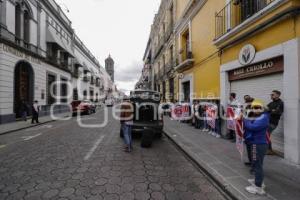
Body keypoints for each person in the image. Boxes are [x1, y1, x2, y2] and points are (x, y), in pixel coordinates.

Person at [244, 99, 269, 195]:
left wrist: (245, 119)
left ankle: (258, 188)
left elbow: (252, 127)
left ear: (262, 108)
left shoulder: (264, 117)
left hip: (258, 144)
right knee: (256, 163)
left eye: (258, 107)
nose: (255, 109)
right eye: (253, 108)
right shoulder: (261, 116)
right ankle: (258, 181)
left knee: (257, 165)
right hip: (256, 143)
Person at [267, 90, 284, 154]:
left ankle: (269, 150)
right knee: (266, 135)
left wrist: (270, 111)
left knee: (266, 135)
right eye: (271, 95)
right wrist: (271, 110)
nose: (271, 96)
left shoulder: (280, 103)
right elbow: (265, 109)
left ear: (278, 95)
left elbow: (277, 112)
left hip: (273, 123)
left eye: (272, 94)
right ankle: (268, 149)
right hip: (268, 122)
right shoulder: (271, 103)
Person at [244, 95, 254, 167]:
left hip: (252, 130)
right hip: (247, 130)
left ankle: (254, 164)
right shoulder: (247, 107)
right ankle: (250, 161)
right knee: (248, 147)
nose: (247, 104)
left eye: (248, 102)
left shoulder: (256, 109)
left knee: (252, 148)